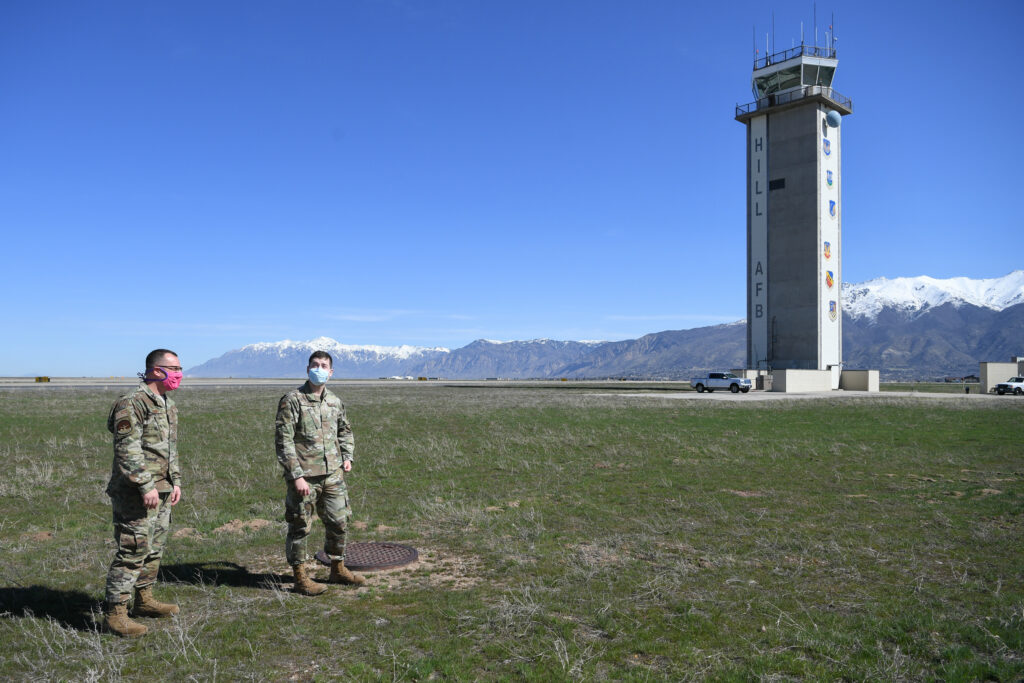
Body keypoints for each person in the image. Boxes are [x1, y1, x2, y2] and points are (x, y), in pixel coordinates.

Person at [102, 349, 184, 637]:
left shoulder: (166, 404)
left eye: (179, 368)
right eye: (173, 368)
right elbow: (127, 449)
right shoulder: (132, 403)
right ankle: (116, 613)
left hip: (162, 490)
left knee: (154, 547)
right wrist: (145, 484)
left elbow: (169, 449)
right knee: (132, 549)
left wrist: (175, 481)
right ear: (156, 370)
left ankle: (144, 600)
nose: (179, 373)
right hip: (135, 492)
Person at [275, 350, 365, 595]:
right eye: (315, 365)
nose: (319, 369)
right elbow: (284, 441)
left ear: (331, 372)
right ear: (307, 369)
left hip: (333, 475)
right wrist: (296, 475)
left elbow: (345, 431)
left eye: (324, 365)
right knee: (300, 525)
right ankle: (300, 577)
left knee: (339, 522)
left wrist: (347, 457)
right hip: (304, 478)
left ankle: (338, 568)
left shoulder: (335, 401)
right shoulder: (292, 400)